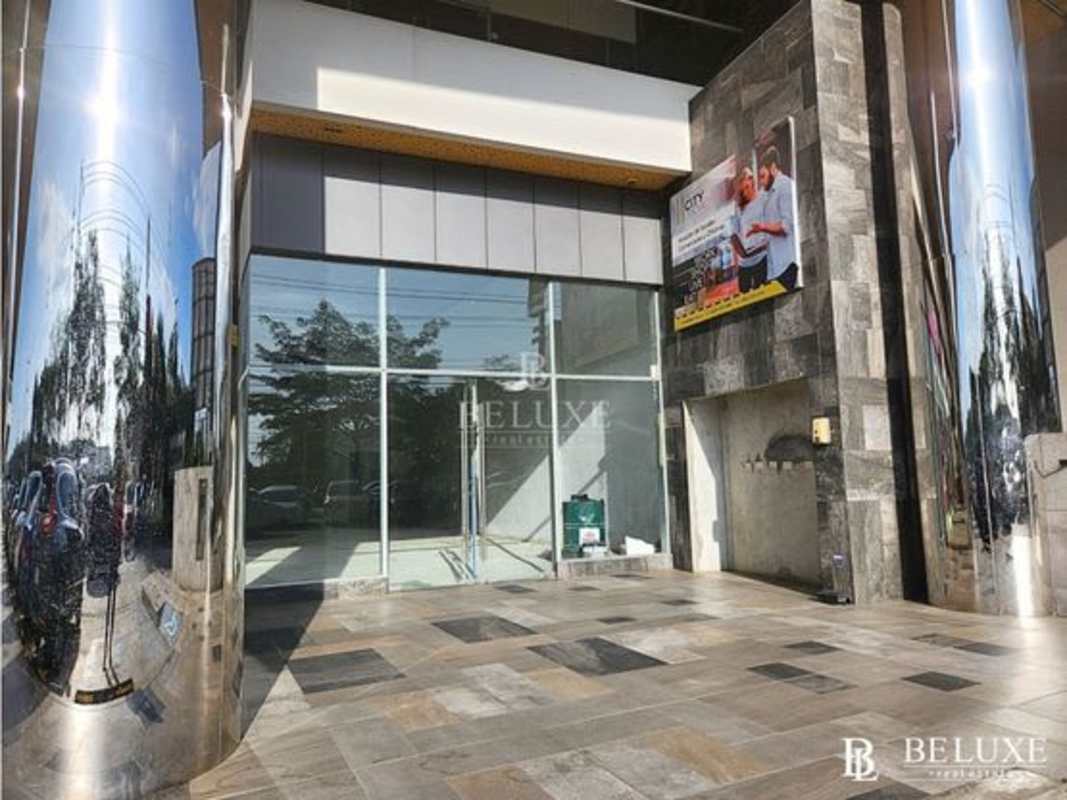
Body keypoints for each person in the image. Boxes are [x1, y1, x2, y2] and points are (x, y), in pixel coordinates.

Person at [749, 146, 799, 291]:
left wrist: (762, 227)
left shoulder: (785, 186)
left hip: (786, 266)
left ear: (773, 168)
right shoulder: (767, 193)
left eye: (763, 176)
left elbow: (786, 226)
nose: (761, 182)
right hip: (773, 269)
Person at [731, 166, 768, 293]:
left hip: (763, 259)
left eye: (746, 179)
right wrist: (743, 254)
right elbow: (734, 236)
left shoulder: (764, 197)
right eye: (740, 182)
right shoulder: (737, 208)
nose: (742, 186)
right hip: (745, 265)